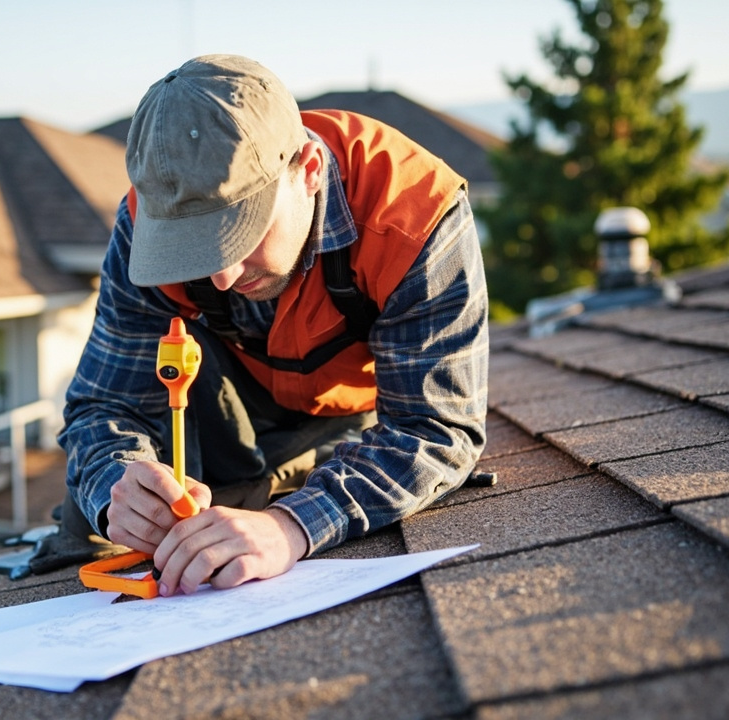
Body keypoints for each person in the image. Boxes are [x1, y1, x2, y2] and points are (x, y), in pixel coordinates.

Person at [56, 54, 488, 597]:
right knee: (81, 512)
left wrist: (290, 527)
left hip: (346, 418)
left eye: (241, 231)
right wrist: (116, 485)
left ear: (308, 171)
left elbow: (434, 429)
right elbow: (101, 405)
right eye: (194, 247)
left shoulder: (412, 213)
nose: (223, 276)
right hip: (222, 410)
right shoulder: (145, 225)